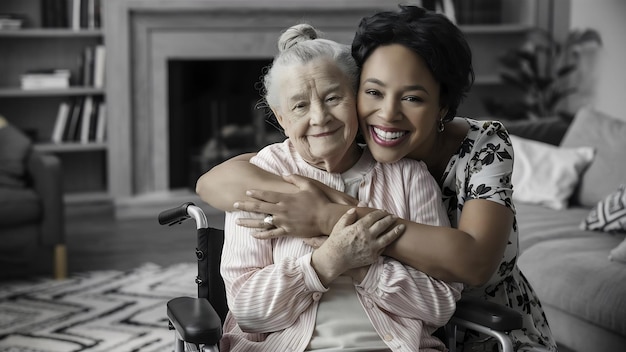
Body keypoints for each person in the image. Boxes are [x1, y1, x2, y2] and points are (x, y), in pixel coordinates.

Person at [198, 6, 556, 352]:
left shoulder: (446, 161)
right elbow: (246, 306)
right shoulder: (282, 164)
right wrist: (326, 260)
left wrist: (331, 222)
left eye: (413, 97)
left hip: (483, 324)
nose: (387, 115)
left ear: (443, 107)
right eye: (374, 92)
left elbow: (467, 271)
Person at [218, 23, 462, 352]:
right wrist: (328, 261)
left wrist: (364, 266)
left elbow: (441, 305)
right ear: (280, 117)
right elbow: (248, 313)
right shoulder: (261, 177)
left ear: (358, 99)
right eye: (300, 105)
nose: (320, 117)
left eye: (333, 97)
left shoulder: (408, 177)